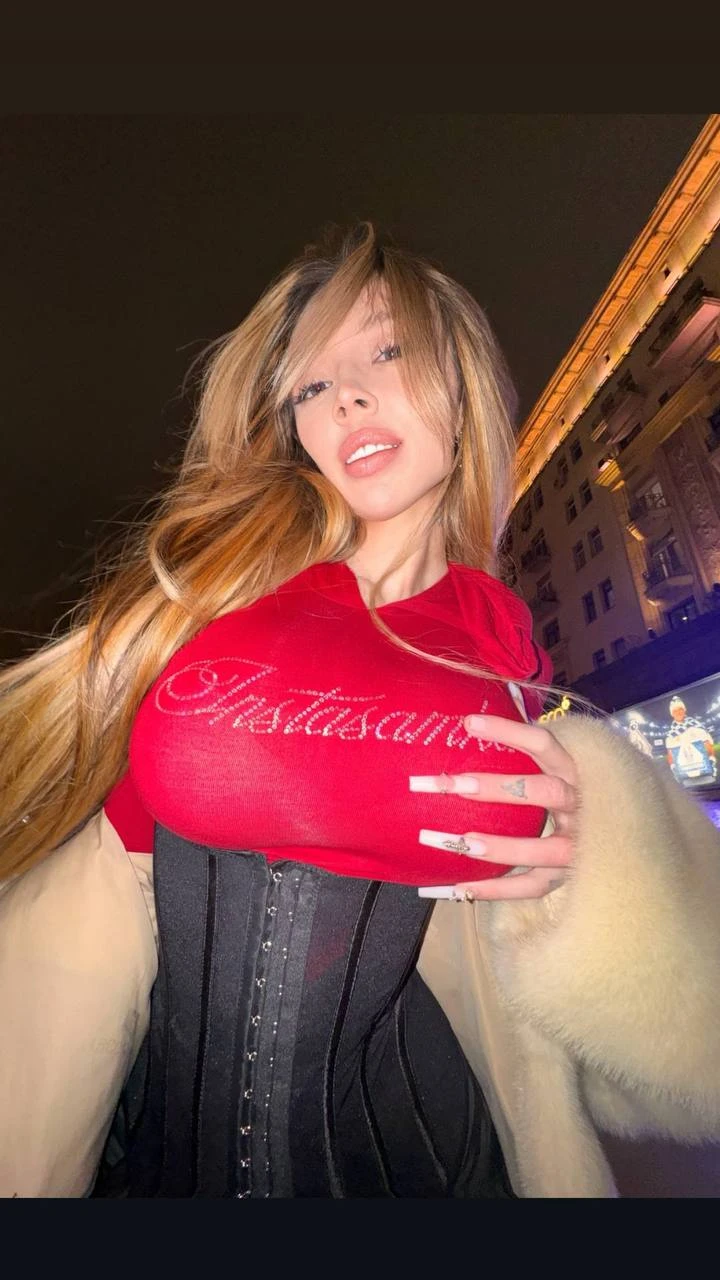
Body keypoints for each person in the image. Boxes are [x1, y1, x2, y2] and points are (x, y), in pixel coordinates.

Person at [1, 224, 720, 1199]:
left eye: (387, 351)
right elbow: (89, 903)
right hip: (154, 1158)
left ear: (461, 387)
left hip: (425, 1164)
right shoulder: (210, 607)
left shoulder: (497, 656)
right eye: (310, 385)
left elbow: (629, 1040)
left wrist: (590, 852)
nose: (345, 395)